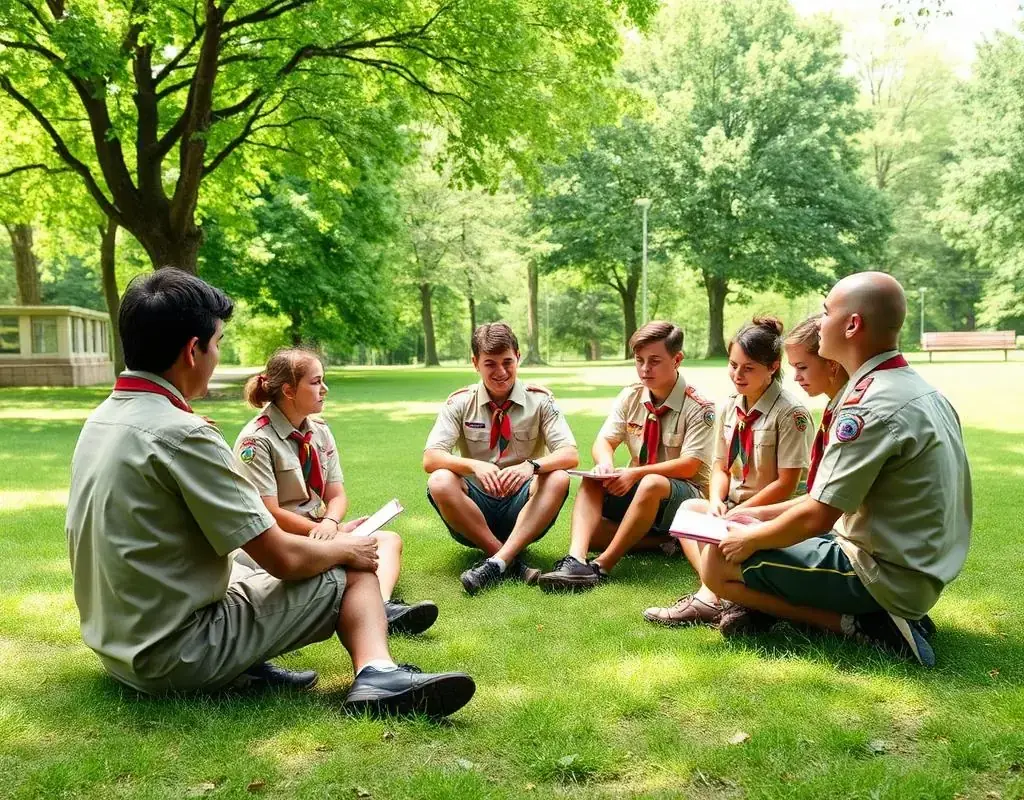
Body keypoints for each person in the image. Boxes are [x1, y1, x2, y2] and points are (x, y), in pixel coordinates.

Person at [65, 268, 475, 716]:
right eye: (217, 343)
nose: (217, 355)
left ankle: (248, 667)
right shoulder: (183, 435)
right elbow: (283, 558)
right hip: (174, 655)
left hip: (119, 646)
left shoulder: (102, 419)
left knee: (261, 568)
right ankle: (378, 675)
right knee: (351, 567)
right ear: (192, 350)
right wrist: (343, 546)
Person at [701, 272, 971, 667]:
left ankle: (863, 624)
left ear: (852, 324)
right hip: (917, 569)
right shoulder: (917, 389)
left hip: (883, 574)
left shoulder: (869, 405)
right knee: (738, 536)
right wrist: (752, 516)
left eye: (826, 311)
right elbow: (826, 501)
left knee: (717, 563)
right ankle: (871, 615)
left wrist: (752, 536)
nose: (819, 320)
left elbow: (819, 513)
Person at [233, 348, 437, 636]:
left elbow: (336, 495)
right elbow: (270, 513)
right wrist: (330, 534)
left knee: (387, 540)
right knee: (353, 555)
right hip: (279, 543)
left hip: (319, 531)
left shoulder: (319, 432)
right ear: (290, 390)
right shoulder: (256, 441)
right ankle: (378, 611)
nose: (324, 389)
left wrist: (331, 524)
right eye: (316, 382)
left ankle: (380, 606)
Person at [642, 316, 813, 626]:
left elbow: (787, 484)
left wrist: (741, 512)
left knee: (714, 529)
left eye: (748, 368)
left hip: (771, 512)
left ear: (773, 366)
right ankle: (717, 594)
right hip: (734, 506)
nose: (738, 375)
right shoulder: (730, 406)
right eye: (733, 365)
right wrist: (718, 500)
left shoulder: (791, 413)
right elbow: (721, 466)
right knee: (690, 508)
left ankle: (707, 599)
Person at [537, 321, 716, 592]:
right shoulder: (631, 396)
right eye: (639, 360)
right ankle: (577, 559)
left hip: (686, 496)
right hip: (641, 489)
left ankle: (602, 567)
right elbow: (604, 441)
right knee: (593, 488)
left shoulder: (700, 407)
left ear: (677, 359)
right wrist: (606, 463)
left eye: (655, 361)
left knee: (652, 482)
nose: (645, 369)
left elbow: (690, 466)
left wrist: (634, 473)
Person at [423, 322, 579, 594]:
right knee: (439, 480)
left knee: (558, 476)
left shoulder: (540, 401)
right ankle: (507, 559)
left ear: (518, 356)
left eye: (507, 361)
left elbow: (570, 454)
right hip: (474, 510)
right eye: (490, 364)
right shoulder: (460, 403)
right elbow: (431, 458)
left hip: (524, 509)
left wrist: (531, 466)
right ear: (475, 363)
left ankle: (495, 563)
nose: (501, 372)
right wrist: (474, 465)